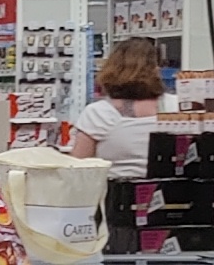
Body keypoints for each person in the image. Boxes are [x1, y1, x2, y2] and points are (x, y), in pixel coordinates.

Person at [63, 36, 175, 170]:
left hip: (114, 182)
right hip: (172, 183)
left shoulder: (98, 113)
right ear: (156, 70)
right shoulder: (176, 106)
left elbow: (78, 166)